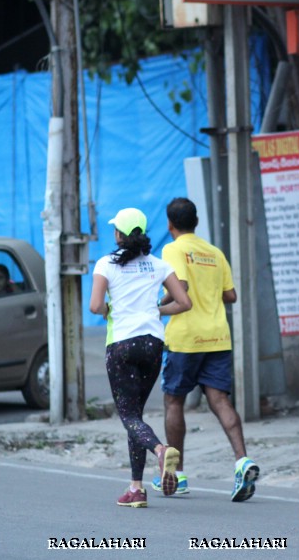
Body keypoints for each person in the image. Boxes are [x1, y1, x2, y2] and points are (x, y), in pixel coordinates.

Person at [155, 197, 260, 502]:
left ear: (170, 224)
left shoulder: (172, 249)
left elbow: (181, 289)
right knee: (220, 400)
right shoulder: (214, 253)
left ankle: (176, 474)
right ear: (196, 222)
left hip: (186, 337)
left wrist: (155, 306)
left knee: (173, 401)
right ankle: (242, 461)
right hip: (217, 337)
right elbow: (231, 295)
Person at [89, 207, 192, 507]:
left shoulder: (106, 264)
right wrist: (156, 311)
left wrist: (113, 310)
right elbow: (184, 302)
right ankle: (136, 488)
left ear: (119, 234)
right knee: (136, 415)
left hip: (121, 344)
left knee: (129, 417)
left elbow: (96, 306)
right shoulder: (157, 265)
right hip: (152, 345)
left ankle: (161, 451)